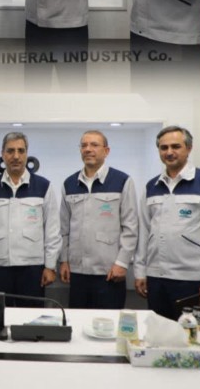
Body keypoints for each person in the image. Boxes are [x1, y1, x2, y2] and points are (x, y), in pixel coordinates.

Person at [134, 125, 200, 320]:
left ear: (189, 148)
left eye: (176, 146)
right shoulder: (151, 186)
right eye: (163, 148)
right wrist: (140, 271)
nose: (169, 152)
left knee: (193, 335)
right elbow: (143, 232)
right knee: (159, 333)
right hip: (156, 279)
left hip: (192, 280)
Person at [0, 132, 61, 306]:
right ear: (2, 154)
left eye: (21, 150)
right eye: (10, 151)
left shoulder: (43, 187)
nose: (16, 156)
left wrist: (50, 266)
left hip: (32, 269)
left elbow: (52, 230)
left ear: (27, 153)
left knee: (31, 318)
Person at [59, 130, 138, 309]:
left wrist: (122, 263)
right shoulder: (69, 184)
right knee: (78, 321)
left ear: (106, 151)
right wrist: (64, 260)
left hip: (109, 272)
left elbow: (131, 227)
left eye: (94, 145)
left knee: (109, 321)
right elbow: (64, 229)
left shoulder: (122, 181)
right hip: (77, 272)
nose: (88, 149)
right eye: (84, 145)